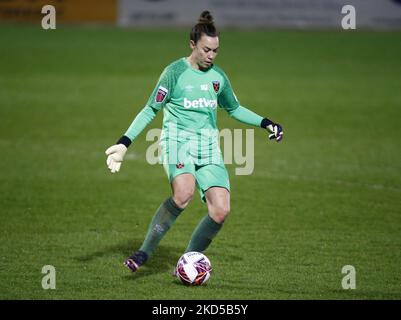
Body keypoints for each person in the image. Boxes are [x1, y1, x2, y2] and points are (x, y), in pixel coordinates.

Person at [105, 11, 283, 273]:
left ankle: (187, 263)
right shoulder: (174, 73)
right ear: (192, 45)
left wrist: (266, 122)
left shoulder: (217, 77)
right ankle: (144, 251)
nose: (211, 56)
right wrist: (124, 143)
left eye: (216, 51)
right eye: (206, 50)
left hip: (209, 147)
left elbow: (234, 109)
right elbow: (149, 110)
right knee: (183, 193)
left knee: (221, 211)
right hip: (177, 142)